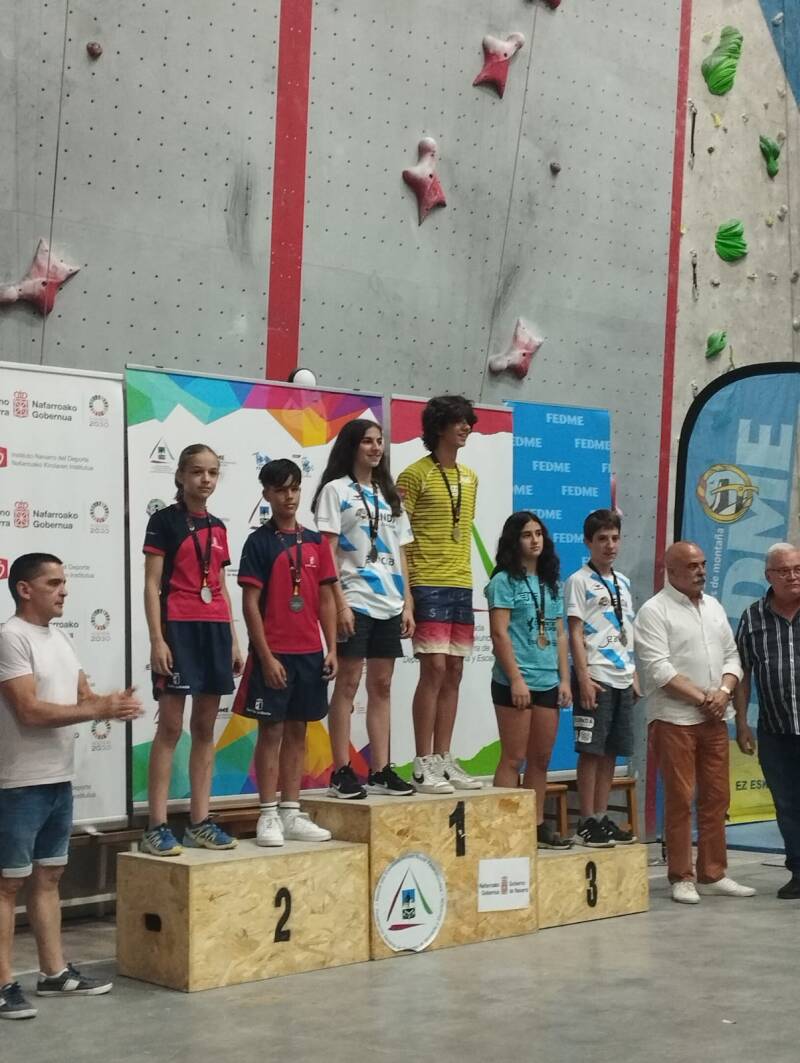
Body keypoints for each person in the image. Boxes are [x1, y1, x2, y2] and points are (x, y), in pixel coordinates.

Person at [0, 553, 142, 1020]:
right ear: (25, 589)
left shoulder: (59, 637)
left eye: (64, 582)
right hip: (16, 783)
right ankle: (2, 984)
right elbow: (29, 711)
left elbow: (84, 698)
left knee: (49, 877)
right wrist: (99, 709)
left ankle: (53, 973)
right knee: (7, 884)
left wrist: (114, 703)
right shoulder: (10, 637)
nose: (64, 590)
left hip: (58, 779)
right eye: (54, 583)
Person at [634, 541, 755, 904]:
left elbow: (732, 656)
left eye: (702, 564)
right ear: (670, 571)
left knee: (717, 797)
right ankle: (681, 876)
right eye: (692, 566)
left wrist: (724, 691)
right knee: (680, 798)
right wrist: (706, 699)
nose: (701, 571)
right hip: (674, 719)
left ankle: (713, 873)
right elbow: (659, 670)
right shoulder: (654, 611)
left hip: (715, 718)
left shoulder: (714, 606)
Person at [141, 444, 243, 856]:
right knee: (170, 727)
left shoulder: (218, 527)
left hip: (214, 628)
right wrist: (157, 639)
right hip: (178, 628)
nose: (206, 479)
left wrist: (233, 638)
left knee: (204, 727)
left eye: (213, 472)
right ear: (181, 476)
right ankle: (155, 826)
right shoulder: (163, 521)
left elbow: (220, 586)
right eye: (198, 471)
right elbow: (152, 584)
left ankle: (200, 821)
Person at [234, 459, 337, 846]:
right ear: (267, 494)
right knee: (271, 731)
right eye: (280, 490)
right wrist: (265, 657)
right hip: (275, 653)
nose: (289, 497)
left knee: (298, 731)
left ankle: (292, 811)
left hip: (310, 653)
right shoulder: (259, 543)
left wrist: (332, 648)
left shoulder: (316, 542)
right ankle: (267, 814)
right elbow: (250, 604)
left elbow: (326, 600)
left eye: (294, 489)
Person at [312, 419, 415, 798]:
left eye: (379, 441)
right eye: (367, 442)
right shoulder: (335, 490)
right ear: (352, 447)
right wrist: (339, 603)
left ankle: (381, 769)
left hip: (390, 601)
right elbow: (326, 552)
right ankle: (341, 770)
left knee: (382, 685)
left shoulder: (390, 494)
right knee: (349, 683)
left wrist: (408, 602)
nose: (376, 448)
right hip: (353, 599)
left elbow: (401, 552)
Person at [396, 395, 482, 794]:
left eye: (468, 421)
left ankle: (444, 759)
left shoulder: (471, 477)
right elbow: (400, 537)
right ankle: (422, 762)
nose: (466, 427)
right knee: (432, 669)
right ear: (438, 427)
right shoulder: (413, 475)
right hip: (426, 581)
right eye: (458, 421)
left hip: (460, 582)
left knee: (455, 671)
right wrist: (408, 594)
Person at [486, 512, 572, 849]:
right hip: (515, 680)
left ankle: (534, 826)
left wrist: (564, 680)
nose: (535, 540)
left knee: (541, 758)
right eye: (526, 535)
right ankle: (503, 829)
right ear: (514, 540)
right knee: (513, 757)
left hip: (547, 679)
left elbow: (560, 633)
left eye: (538, 533)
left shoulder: (551, 581)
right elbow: (499, 634)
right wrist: (516, 679)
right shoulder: (503, 581)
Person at [565, 509, 639, 848]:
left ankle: (601, 815)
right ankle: (586, 820)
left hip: (623, 675)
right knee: (591, 751)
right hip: (595, 675)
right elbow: (574, 632)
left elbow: (627, 630)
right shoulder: (579, 580)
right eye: (602, 539)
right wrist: (582, 677)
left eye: (614, 538)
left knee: (612, 752)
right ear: (588, 542)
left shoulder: (623, 581)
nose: (610, 545)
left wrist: (634, 672)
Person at [734, 542, 800, 899]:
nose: (792, 576)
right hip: (776, 730)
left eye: (798, 569)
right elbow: (742, 672)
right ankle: (798, 871)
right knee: (787, 805)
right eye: (784, 571)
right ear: (768, 576)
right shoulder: (752, 618)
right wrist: (742, 723)